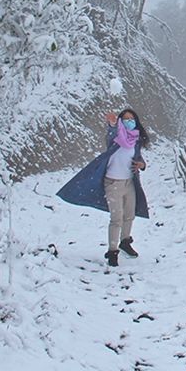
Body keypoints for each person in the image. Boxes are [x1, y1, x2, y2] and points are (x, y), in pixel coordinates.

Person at [57, 108, 151, 267]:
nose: (129, 122)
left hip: (129, 183)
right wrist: (112, 124)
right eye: (125, 119)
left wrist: (142, 165)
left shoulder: (135, 140)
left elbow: (138, 158)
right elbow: (111, 134)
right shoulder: (116, 137)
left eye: (132, 119)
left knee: (129, 215)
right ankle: (112, 251)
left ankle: (125, 242)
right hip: (113, 183)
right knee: (116, 218)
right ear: (121, 122)